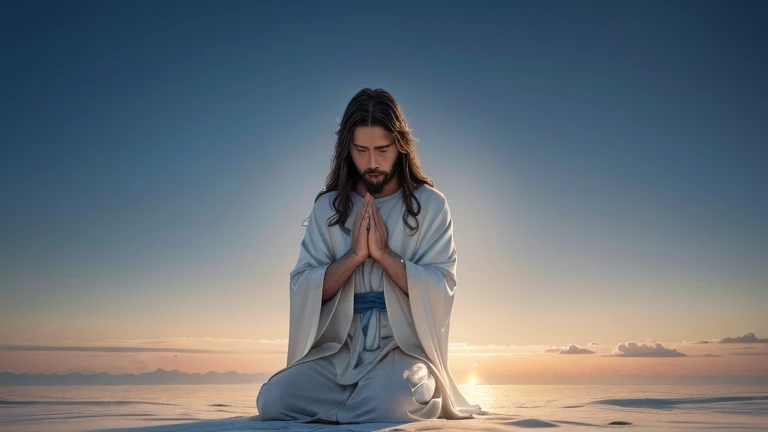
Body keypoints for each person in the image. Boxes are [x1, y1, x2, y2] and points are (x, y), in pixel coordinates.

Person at [256, 88, 481, 424]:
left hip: (402, 353)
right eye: (361, 150)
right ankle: (352, 405)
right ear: (347, 149)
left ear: (401, 146)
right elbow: (302, 283)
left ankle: (364, 404)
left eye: (382, 149)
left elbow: (442, 284)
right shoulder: (328, 209)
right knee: (273, 400)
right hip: (340, 353)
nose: (372, 162)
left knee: (390, 404)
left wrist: (385, 255)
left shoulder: (431, 206)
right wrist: (355, 257)